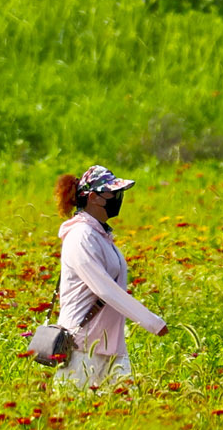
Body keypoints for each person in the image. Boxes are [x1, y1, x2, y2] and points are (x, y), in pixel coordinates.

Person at [55, 163, 167, 389]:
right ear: (95, 197)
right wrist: (151, 322)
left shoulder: (102, 235)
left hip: (112, 346)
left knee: (127, 413)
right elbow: (104, 289)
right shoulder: (81, 236)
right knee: (74, 414)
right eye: (113, 193)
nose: (118, 197)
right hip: (81, 347)